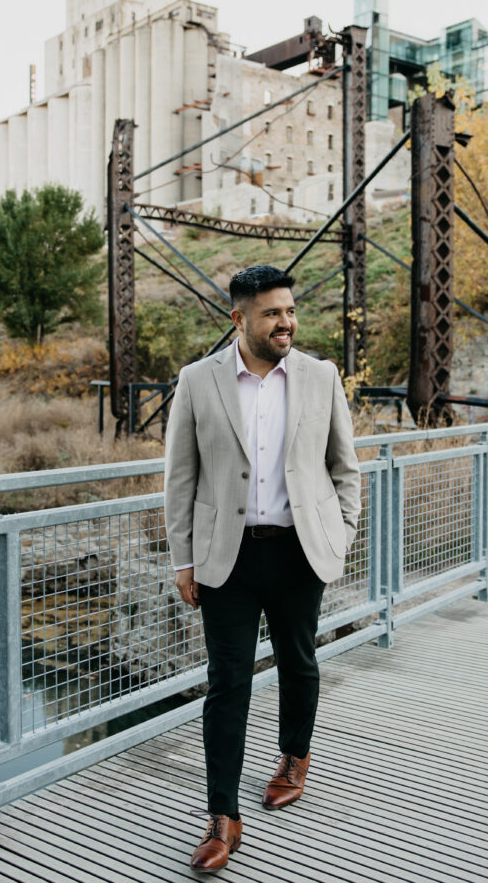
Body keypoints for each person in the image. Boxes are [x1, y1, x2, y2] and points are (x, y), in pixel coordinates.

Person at [164, 264, 361, 873]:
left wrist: (341, 534)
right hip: (228, 555)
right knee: (228, 684)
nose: (287, 322)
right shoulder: (197, 381)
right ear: (239, 318)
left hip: (301, 550)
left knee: (299, 661)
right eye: (273, 312)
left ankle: (294, 757)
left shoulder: (320, 375)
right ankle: (223, 814)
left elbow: (344, 467)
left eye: (291, 310)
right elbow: (180, 476)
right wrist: (183, 559)